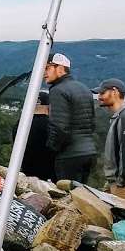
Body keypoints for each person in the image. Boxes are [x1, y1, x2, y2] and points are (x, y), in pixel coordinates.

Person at [43, 53, 97, 183]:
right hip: (89, 153)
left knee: (67, 199)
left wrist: (51, 150)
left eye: (47, 68)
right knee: (81, 197)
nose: (43, 73)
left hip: (69, 156)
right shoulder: (84, 88)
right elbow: (92, 123)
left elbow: (59, 127)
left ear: (60, 68)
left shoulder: (58, 90)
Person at [14, 90, 56, 181]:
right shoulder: (51, 125)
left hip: (25, 171)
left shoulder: (20, 123)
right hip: (46, 173)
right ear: (48, 106)